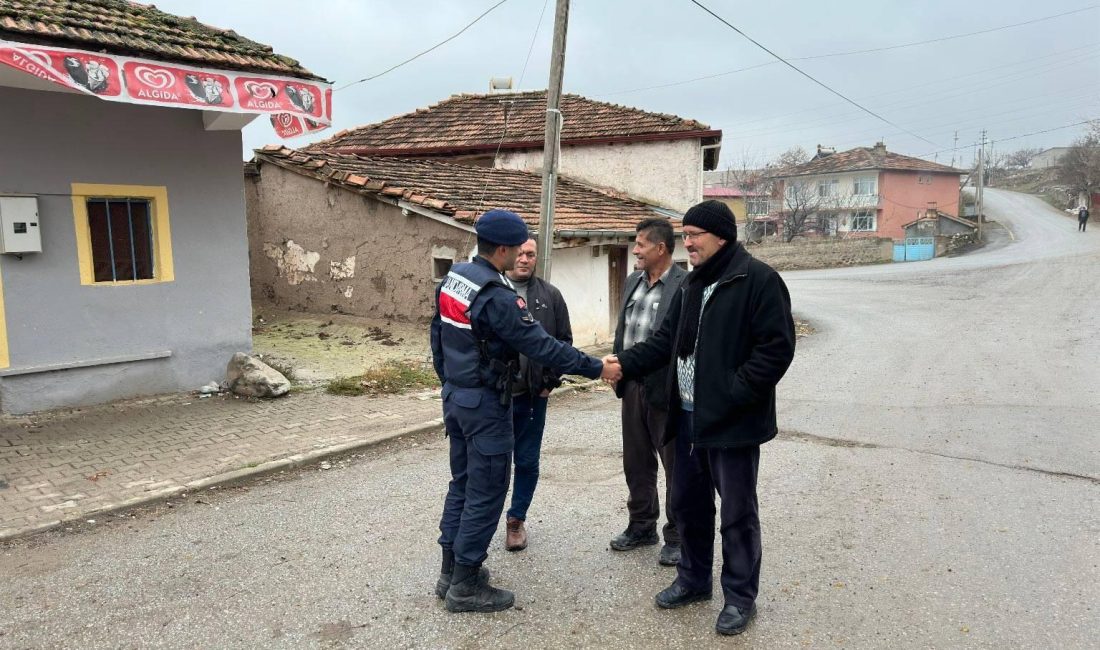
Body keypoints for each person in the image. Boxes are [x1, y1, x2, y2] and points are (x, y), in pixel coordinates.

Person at [610, 200, 796, 636]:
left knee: (736, 514)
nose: (687, 243)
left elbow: (776, 349)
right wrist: (620, 363)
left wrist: (734, 392)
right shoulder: (693, 285)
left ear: (721, 236)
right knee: (688, 506)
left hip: (732, 423)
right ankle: (693, 580)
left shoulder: (758, 280)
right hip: (687, 419)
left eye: (694, 235)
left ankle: (739, 598)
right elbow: (662, 344)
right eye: (685, 234)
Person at [430, 209, 621, 613]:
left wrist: (450, 381)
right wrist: (597, 368)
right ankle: (465, 584)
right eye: (517, 247)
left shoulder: (457, 278)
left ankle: (450, 572)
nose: (520, 254)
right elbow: (542, 346)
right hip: (485, 404)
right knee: (487, 491)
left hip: (458, 398)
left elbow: (437, 334)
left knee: (462, 484)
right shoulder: (497, 296)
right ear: (502, 248)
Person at [610, 218, 688, 566]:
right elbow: (624, 329)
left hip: (667, 390)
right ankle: (642, 525)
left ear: (660, 248)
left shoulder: (685, 285)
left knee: (675, 466)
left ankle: (678, 535)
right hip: (632, 386)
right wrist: (618, 369)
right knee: (636, 462)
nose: (635, 250)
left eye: (640, 244)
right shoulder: (632, 282)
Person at [503, 238, 573, 552]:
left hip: (533, 397)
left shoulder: (550, 296)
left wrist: (550, 381)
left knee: (528, 461)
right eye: (519, 253)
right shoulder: (493, 290)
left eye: (530, 254)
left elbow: (564, 342)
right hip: (498, 398)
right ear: (507, 254)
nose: (525, 259)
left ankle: (516, 521)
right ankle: (480, 521)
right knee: (494, 462)